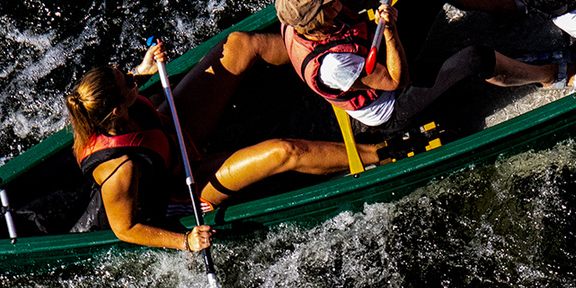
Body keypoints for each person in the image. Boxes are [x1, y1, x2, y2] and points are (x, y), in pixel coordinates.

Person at [66, 39, 376, 253]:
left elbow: (127, 91)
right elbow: (126, 228)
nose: (133, 80)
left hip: (173, 141)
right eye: (129, 83)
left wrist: (141, 71)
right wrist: (186, 242)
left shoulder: (110, 110)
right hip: (183, 187)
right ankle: (382, 152)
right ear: (117, 111)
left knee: (240, 44)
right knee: (283, 152)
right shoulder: (120, 170)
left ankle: (328, 61)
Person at [278, 0, 576, 132]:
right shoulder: (333, 65)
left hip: (374, 50)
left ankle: (505, 10)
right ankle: (550, 75)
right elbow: (397, 80)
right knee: (475, 57)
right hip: (392, 101)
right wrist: (392, 31)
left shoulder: (297, 15)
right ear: (323, 14)